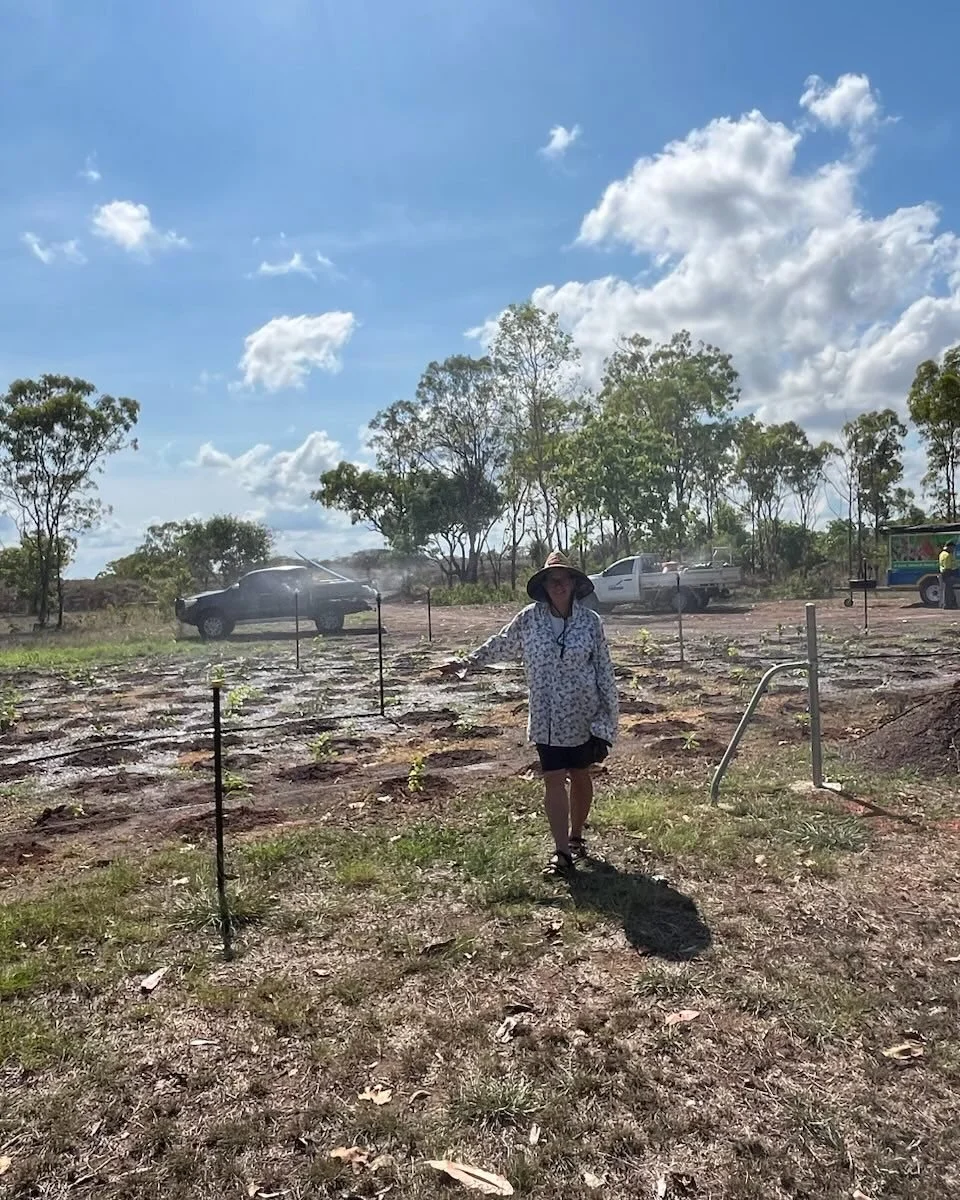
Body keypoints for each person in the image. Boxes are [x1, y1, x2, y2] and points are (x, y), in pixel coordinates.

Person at [440, 551, 619, 876]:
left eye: (564, 580)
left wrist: (608, 719)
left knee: (580, 774)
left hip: (582, 715)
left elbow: (605, 670)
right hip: (546, 716)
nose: (559, 585)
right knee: (552, 778)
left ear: (575, 584)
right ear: (545, 586)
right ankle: (562, 853)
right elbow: (501, 644)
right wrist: (465, 662)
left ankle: (576, 837)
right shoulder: (529, 618)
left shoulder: (591, 623)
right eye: (553, 581)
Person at [939, 540, 959, 610]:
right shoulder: (947, 555)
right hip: (948, 574)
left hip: (944, 574)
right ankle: (949, 604)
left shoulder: (942, 553)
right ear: (949, 547)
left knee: (947, 590)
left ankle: (948, 604)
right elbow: (948, 567)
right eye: (953, 548)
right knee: (948, 590)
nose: (953, 549)